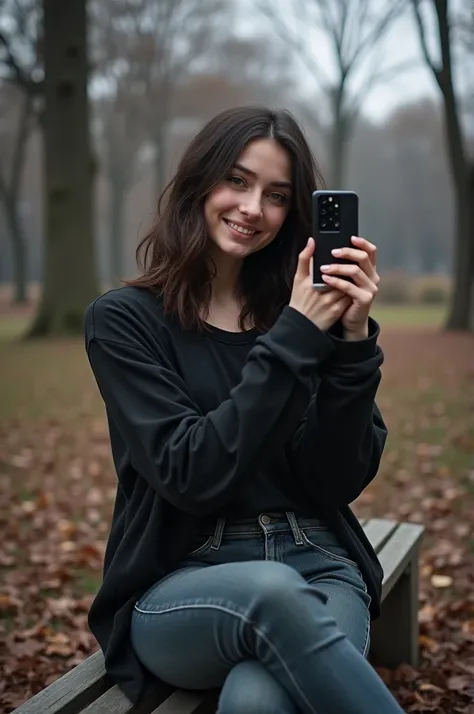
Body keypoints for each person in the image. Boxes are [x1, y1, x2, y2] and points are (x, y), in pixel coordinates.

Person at [84, 106, 404, 714]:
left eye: (276, 195)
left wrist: (352, 345)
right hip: (182, 580)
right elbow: (192, 473)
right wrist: (295, 337)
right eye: (236, 180)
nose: (253, 207)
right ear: (199, 184)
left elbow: (334, 479)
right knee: (272, 592)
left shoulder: (308, 318)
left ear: (293, 215)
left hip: (320, 562)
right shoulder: (125, 322)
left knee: (258, 698)